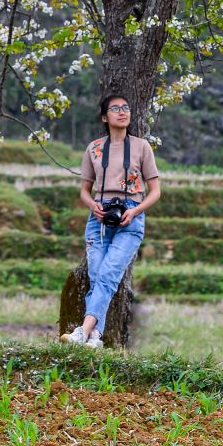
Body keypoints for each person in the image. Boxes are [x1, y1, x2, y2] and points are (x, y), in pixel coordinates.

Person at [60, 93, 160, 348]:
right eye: (115, 109)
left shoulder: (141, 147)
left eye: (126, 107)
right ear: (105, 117)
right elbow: (84, 190)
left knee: (107, 275)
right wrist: (92, 205)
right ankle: (95, 338)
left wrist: (135, 211)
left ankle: (82, 331)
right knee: (96, 276)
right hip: (99, 217)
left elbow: (156, 192)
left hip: (130, 217)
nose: (122, 112)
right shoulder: (94, 148)